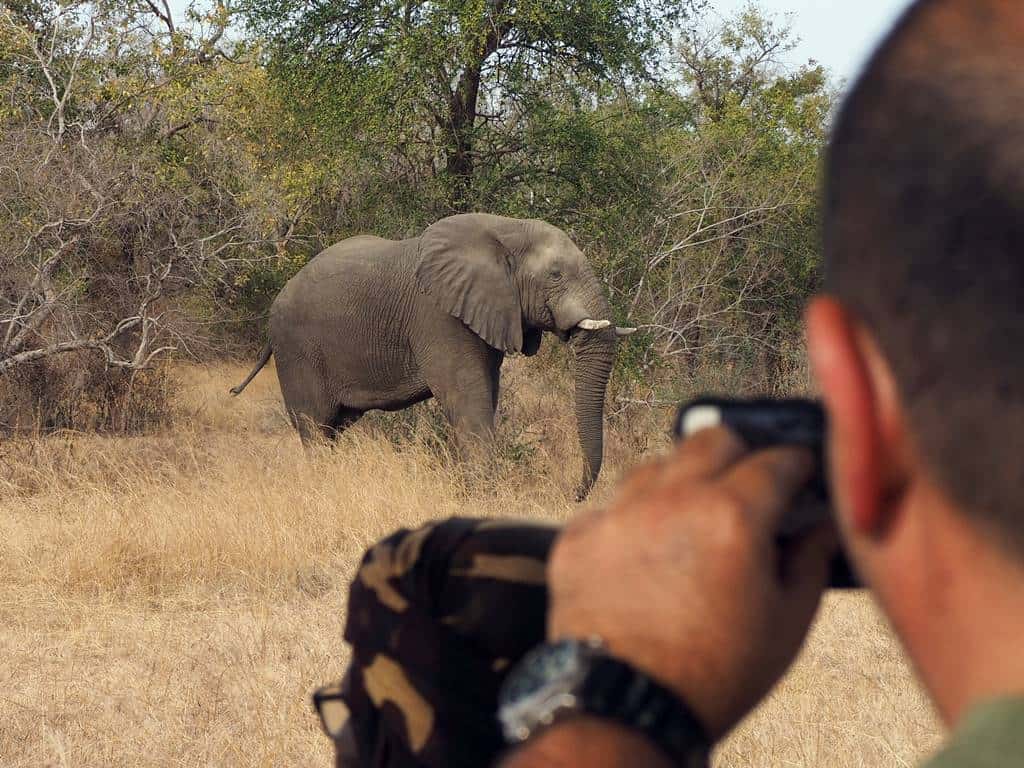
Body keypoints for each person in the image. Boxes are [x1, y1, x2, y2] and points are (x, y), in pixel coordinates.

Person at [314, 0, 1024, 764]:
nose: (574, 301)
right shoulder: (437, 285)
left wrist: (620, 707)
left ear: (852, 400)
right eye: (555, 283)